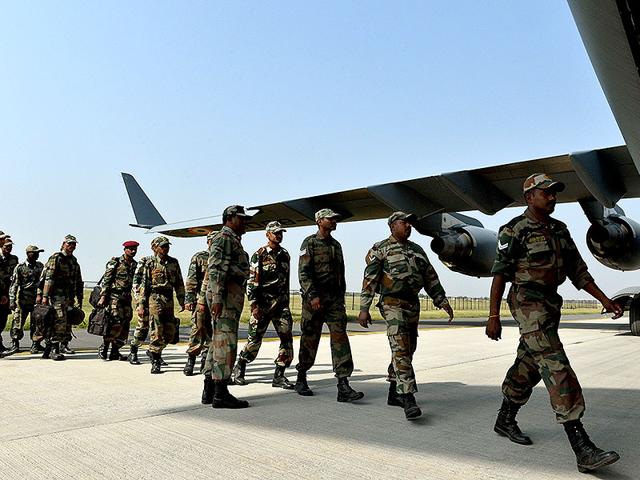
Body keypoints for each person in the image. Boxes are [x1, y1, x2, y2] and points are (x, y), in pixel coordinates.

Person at [487, 173, 622, 473]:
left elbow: (578, 271)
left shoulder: (560, 230)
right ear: (529, 197)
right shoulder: (514, 230)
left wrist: (604, 299)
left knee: (530, 364)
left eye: (554, 193)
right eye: (546, 193)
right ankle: (582, 446)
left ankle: (505, 418)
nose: (552, 197)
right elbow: (500, 275)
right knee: (555, 364)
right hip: (526, 302)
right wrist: (493, 315)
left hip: (550, 303)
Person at [358, 212, 454, 420]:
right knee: (400, 348)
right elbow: (370, 279)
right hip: (392, 304)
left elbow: (430, 277)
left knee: (408, 348)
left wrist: (441, 300)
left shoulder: (417, 250)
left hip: (412, 304)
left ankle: (394, 392)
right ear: (392, 226)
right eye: (404, 222)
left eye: (410, 222)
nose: (409, 226)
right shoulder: (380, 248)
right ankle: (408, 397)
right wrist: (364, 308)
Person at [295, 208, 363, 402]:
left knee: (340, 338)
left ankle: (343, 384)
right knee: (310, 339)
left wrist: (340, 298)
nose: (334, 222)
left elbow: (340, 274)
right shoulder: (309, 243)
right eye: (330, 219)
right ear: (319, 221)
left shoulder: (336, 245)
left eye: (335, 219)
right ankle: (301, 376)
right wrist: (312, 296)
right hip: (314, 301)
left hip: (334, 301)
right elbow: (304, 273)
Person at [232, 221, 294, 389]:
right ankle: (240, 368)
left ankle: (279, 375)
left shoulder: (285, 255)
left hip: (281, 305)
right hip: (262, 304)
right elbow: (252, 281)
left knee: (287, 338)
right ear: (267, 235)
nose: (279, 235)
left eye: (281, 233)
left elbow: (286, 281)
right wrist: (254, 305)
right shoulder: (259, 255)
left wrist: (286, 301)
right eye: (275, 233)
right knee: (254, 340)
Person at [201, 205, 251, 409]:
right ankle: (221, 392)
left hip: (228, 297)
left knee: (216, 343)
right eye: (241, 218)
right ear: (230, 218)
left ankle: (209, 389)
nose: (245, 222)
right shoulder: (224, 238)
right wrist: (218, 298)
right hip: (226, 299)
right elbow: (216, 270)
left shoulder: (231, 239)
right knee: (225, 343)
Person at [136, 236, 185, 374]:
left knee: (170, 333)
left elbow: (179, 283)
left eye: (167, 246)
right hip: (154, 297)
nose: (165, 248)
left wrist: (183, 301)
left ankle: (153, 351)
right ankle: (156, 361)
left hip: (168, 298)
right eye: (162, 246)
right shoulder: (150, 263)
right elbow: (144, 284)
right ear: (155, 248)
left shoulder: (173, 262)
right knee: (157, 330)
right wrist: (141, 304)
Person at [37, 235, 83, 361]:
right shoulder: (56, 258)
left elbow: (78, 281)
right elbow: (48, 278)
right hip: (56, 295)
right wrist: (44, 296)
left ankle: (53, 347)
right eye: (69, 244)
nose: (72, 246)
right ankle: (54, 348)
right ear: (63, 244)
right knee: (59, 320)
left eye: (74, 244)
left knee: (67, 321)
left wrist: (80, 297)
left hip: (69, 296)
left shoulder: (74, 261)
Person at [97, 241, 139, 361]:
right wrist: (103, 296)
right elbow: (107, 279)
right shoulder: (115, 262)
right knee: (115, 322)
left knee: (125, 323)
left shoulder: (135, 265)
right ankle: (104, 348)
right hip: (114, 297)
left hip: (126, 298)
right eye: (130, 249)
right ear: (125, 249)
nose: (133, 251)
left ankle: (115, 351)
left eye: (135, 249)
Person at [3, 245, 45, 356]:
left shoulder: (40, 266)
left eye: (38, 253)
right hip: (23, 300)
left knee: (37, 323)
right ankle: (15, 344)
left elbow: (44, 283)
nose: (37, 255)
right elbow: (14, 285)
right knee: (17, 322)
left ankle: (36, 344)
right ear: (29, 254)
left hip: (37, 301)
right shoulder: (20, 267)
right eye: (35, 252)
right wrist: (12, 300)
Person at [183, 233, 214, 376]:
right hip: (200, 300)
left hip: (217, 301)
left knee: (212, 332)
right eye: (212, 241)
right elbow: (191, 279)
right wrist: (189, 299)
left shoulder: (222, 258)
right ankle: (191, 360)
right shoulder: (199, 257)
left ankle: (205, 361)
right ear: (207, 242)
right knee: (197, 328)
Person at [127, 246, 155, 365]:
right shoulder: (145, 261)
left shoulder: (166, 262)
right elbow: (136, 283)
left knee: (158, 329)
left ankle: (154, 353)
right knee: (142, 327)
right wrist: (140, 302)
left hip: (158, 302)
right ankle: (133, 351)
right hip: (145, 300)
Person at [0, 237, 19, 354]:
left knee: (3, 320)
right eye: (7, 246)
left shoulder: (14, 259)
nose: (9, 248)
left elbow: (15, 277)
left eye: (10, 246)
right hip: (0, 293)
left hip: (7, 293)